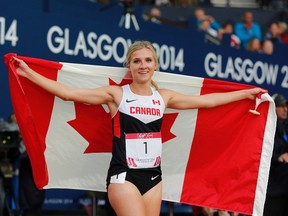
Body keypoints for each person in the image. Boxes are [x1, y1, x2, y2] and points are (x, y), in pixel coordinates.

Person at [11, 40, 266, 216]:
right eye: (136, 61)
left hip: (154, 178)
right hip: (124, 178)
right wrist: (28, 73)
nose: (143, 65)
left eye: (148, 60)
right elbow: (68, 93)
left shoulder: (163, 97)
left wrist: (245, 93)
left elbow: (207, 101)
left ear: (155, 65)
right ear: (129, 66)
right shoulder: (116, 94)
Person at [263, 93, 288, 216]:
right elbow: (261, 153)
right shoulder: (267, 127)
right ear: (274, 108)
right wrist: (278, 157)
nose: (285, 109)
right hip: (273, 189)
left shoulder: (285, 127)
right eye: (281, 106)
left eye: (286, 106)